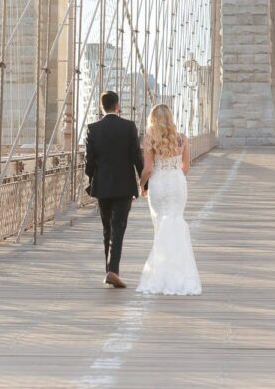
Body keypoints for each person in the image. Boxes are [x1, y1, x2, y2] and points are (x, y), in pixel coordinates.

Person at [136, 103, 202, 295]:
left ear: (152, 119)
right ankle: (180, 273)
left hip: (158, 184)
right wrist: (175, 177)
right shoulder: (182, 139)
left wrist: (141, 185)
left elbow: (148, 169)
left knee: (160, 224)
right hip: (177, 183)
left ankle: (161, 273)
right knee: (176, 221)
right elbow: (186, 167)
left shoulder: (150, 139)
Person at [85, 90, 144, 288]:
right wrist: (144, 182)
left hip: (102, 186)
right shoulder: (129, 127)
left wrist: (91, 179)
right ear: (118, 105)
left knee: (107, 229)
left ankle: (109, 270)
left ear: (102, 107)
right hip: (124, 186)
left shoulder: (93, 128)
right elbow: (136, 156)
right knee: (119, 227)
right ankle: (113, 271)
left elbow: (89, 161)